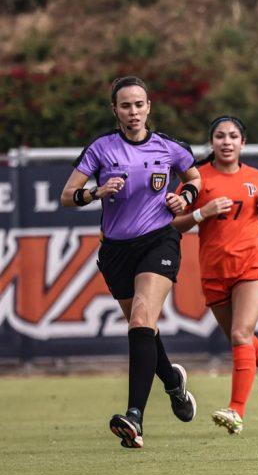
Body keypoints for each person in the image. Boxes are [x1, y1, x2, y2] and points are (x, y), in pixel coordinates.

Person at [60, 76, 201, 449]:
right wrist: (95, 192)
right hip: (116, 251)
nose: (133, 112)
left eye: (139, 105)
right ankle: (172, 381)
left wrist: (184, 197)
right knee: (145, 328)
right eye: (125, 106)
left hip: (159, 240)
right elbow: (66, 196)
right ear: (115, 110)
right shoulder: (101, 149)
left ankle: (134, 417)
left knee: (140, 321)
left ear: (149, 107)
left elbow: (195, 177)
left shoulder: (169, 147)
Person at [171, 116, 258, 435]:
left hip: (253, 263)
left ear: (242, 143)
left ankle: (236, 410)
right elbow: (174, 222)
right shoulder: (197, 178)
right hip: (215, 269)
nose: (227, 141)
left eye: (233, 136)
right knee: (239, 335)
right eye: (220, 136)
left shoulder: (256, 176)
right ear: (212, 142)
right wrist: (201, 212)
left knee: (240, 335)